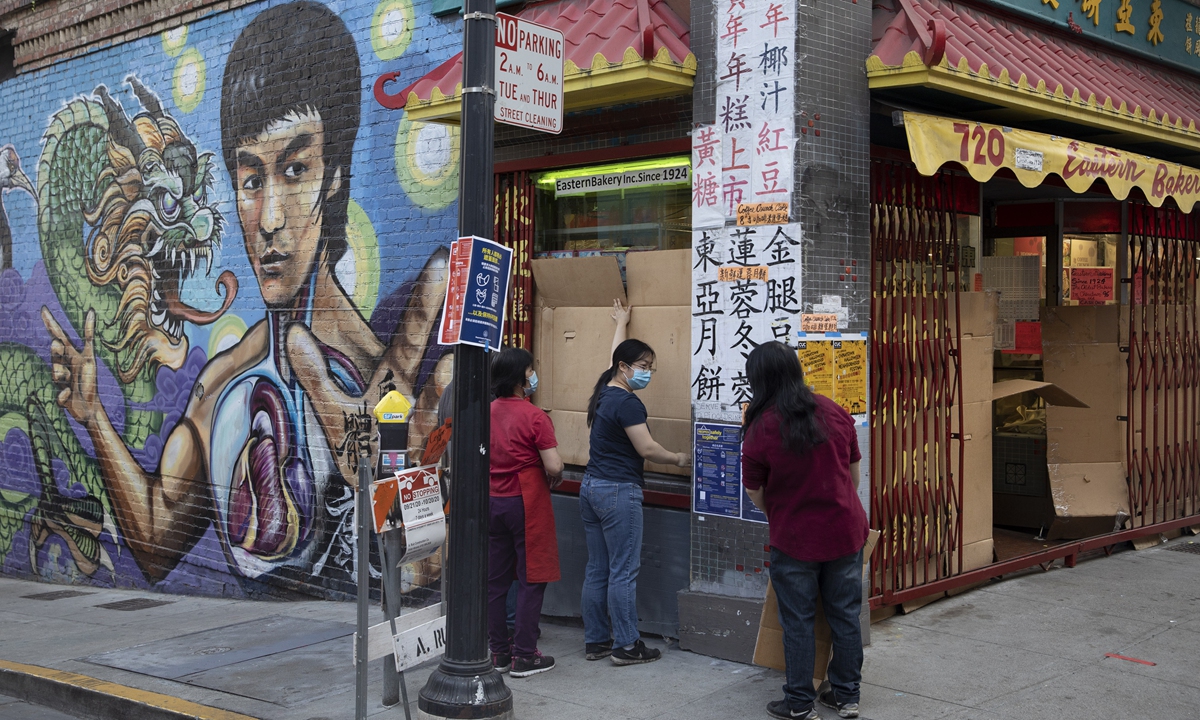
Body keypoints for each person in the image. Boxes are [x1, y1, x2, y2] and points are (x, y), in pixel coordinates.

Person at [43, 1, 451, 591]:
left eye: (296, 170)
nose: (269, 218)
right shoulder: (226, 380)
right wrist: (94, 416)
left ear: (335, 175)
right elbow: (156, 542)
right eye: (252, 179)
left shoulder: (382, 383)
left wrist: (395, 491)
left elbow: (416, 567)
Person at [740, 342, 868, 720]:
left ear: (758, 381)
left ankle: (799, 703)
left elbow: (755, 492)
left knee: (797, 621)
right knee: (845, 615)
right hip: (845, 532)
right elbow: (853, 477)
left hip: (795, 538)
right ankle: (846, 696)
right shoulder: (834, 411)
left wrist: (782, 513)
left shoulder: (760, 427)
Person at [580, 300, 691, 665]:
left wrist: (621, 323)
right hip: (618, 492)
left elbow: (614, 355)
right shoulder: (628, 403)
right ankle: (627, 646)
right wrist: (678, 458)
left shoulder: (606, 389)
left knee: (598, 568)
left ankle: (596, 641)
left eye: (650, 368)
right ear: (624, 368)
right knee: (623, 572)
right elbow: (647, 448)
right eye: (643, 367)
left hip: (591, 487)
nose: (648, 374)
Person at [487, 347, 563, 677]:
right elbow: (554, 465)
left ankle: (499, 652)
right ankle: (524, 654)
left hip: (492, 499)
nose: (533, 376)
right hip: (526, 500)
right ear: (520, 378)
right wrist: (558, 471)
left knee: (495, 580)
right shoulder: (535, 416)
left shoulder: (485, 412)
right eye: (530, 370)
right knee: (532, 578)